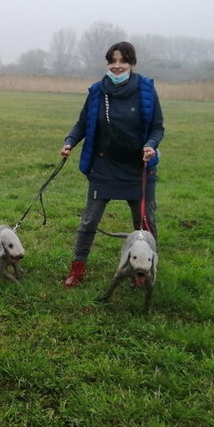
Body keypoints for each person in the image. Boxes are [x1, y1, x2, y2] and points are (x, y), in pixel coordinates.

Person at [60, 41, 164, 287]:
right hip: (103, 167)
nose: (117, 66)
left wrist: (150, 144)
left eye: (123, 61)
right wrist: (69, 142)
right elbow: (82, 124)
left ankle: (144, 270)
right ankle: (78, 269)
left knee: (145, 225)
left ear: (132, 63)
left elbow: (158, 126)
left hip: (139, 169)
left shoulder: (146, 90)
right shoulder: (97, 91)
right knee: (88, 222)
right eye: (112, 61)